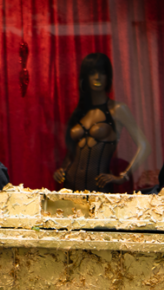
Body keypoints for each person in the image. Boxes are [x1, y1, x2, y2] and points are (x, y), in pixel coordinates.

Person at [53, 52, 147, 192]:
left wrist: (123, 176)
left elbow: (144, 146)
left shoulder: (118, 109)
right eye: (92, 73)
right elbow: (72, 152)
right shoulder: (80, 112)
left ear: (108, 76)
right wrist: (61, 170)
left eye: (102, 72)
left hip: (99, 188)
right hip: (70, 186)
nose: (97, 77)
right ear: (85, 77)